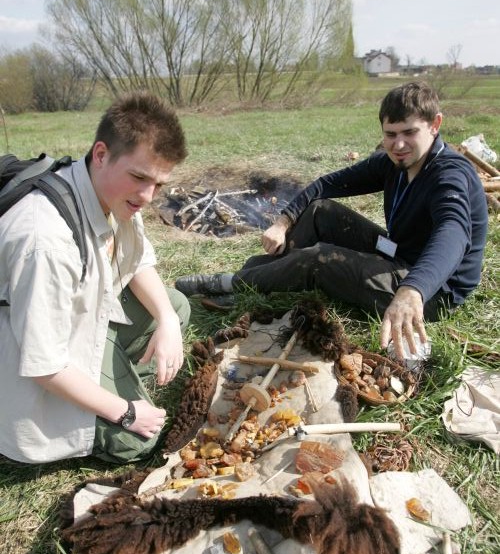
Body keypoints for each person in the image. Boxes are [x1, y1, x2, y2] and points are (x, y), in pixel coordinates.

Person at [175, 81, 488, 359]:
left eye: (409, 132)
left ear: (435, 125)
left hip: (433, 289)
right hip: (401, 254)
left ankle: (235, 283)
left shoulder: (450, 175)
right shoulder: (393, 163)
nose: (398, 144)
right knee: (320, 210)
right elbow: (325, 185)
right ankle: (252, 277)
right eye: (390, 134)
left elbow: (453, 232)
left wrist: (413, 290)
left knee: (321, 260)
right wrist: (283, 222)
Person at [0, 91, 190, 465]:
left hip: (73, 323)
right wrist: (126, 411)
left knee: (175, 307)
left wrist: (167, 321)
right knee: (135, 442)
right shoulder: (46, 242)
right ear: (101, 154)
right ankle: (106, 385)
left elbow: (138, 261)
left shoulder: (113, 190)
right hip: (28, 364)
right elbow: (44, 365)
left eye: (159, 184)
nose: (148, 196)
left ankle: (109, 367)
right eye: (139, 177)